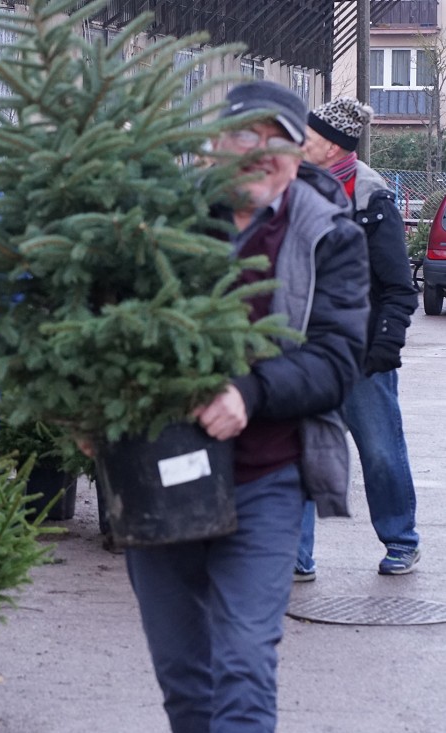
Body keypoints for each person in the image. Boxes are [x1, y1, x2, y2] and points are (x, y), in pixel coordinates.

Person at [125, 81, 369, 733]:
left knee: (243, 669)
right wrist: (90, 418)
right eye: (244, 136)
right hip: (157, 472)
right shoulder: (160, 224)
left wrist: (249, 391)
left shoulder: (329, 234)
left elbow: (338, 358)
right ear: (215, 147)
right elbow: (95, 330)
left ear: (299, 154)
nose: (260, 152)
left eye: (278, 140)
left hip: (265, 477)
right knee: (184, 675)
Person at [296, 98, 421, 580]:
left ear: (330, 145)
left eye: (307, 134)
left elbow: (397, 288)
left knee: (381, 452)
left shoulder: (371, 197)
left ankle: (401, 539)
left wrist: (384, 349)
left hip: (362, 355)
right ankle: (297, 556)